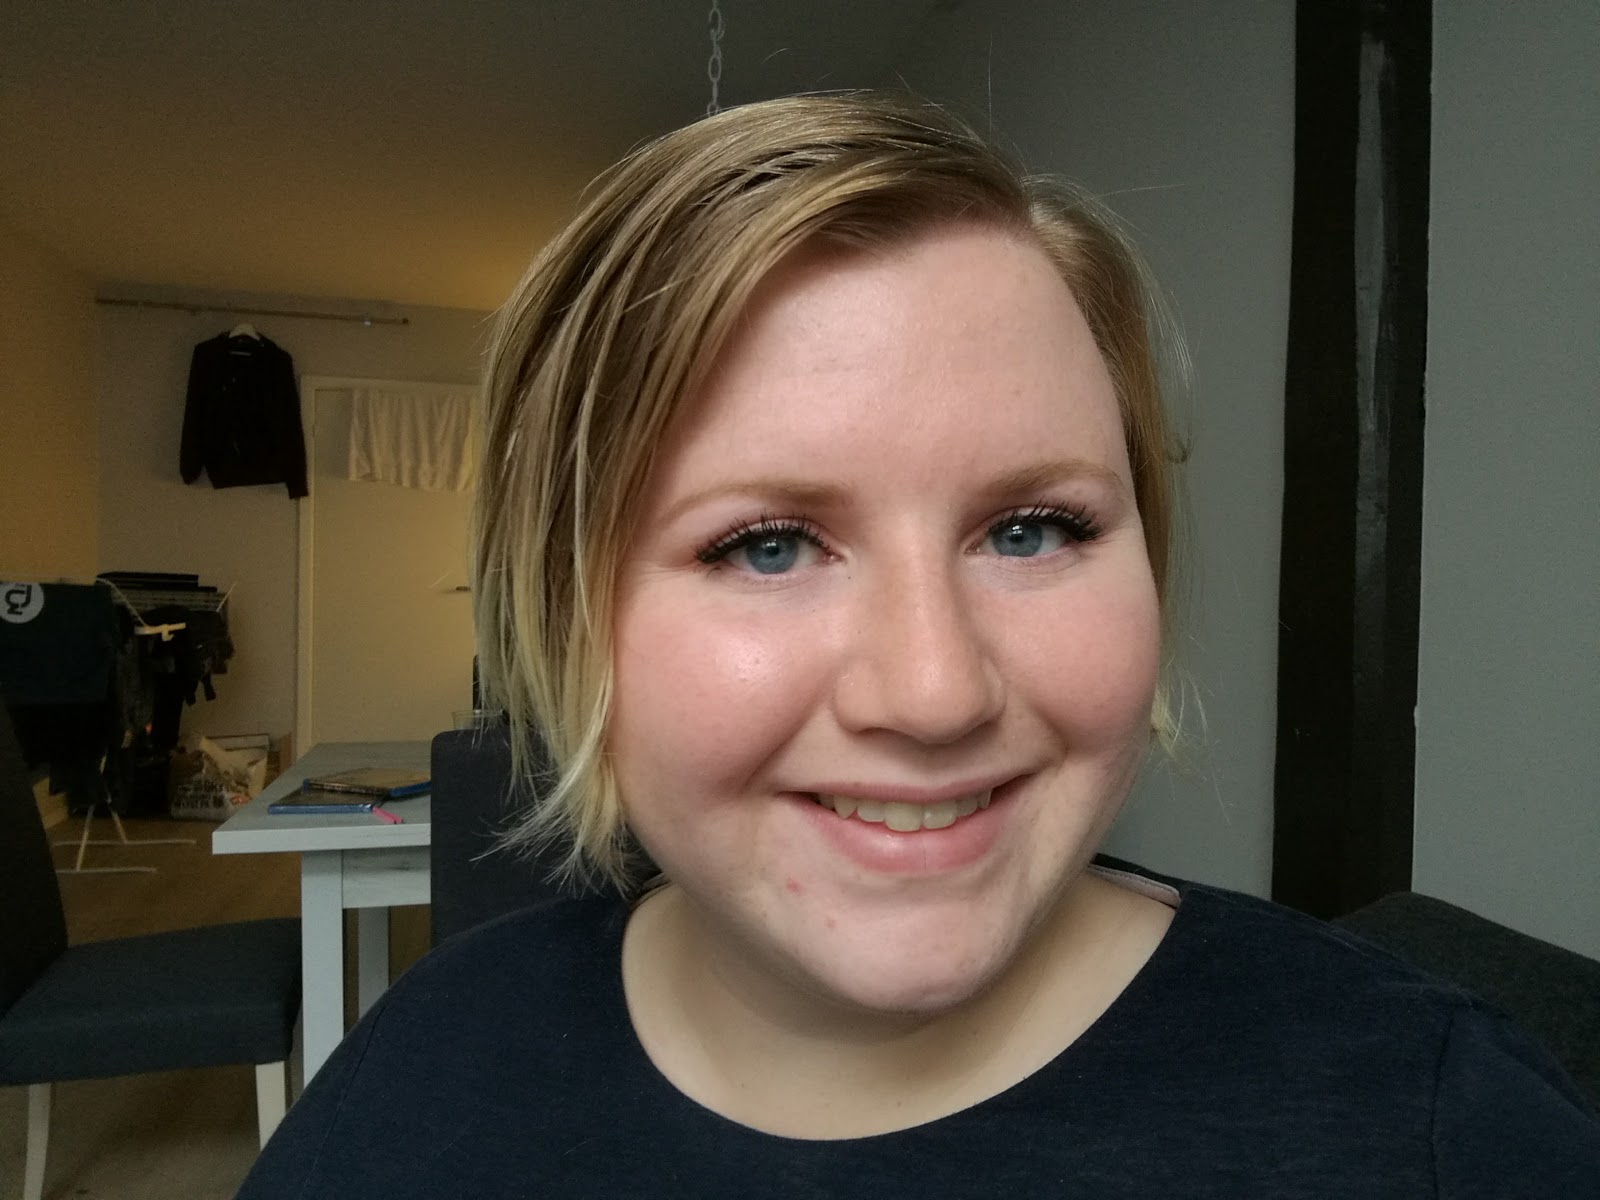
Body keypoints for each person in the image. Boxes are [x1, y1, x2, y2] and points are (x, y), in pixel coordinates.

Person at [239, 94, 1598, 1197]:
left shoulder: (1443, 1127)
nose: (936, 691)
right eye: (768, 545)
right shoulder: (420, 1065)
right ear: (564, 613)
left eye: (1031, 529)